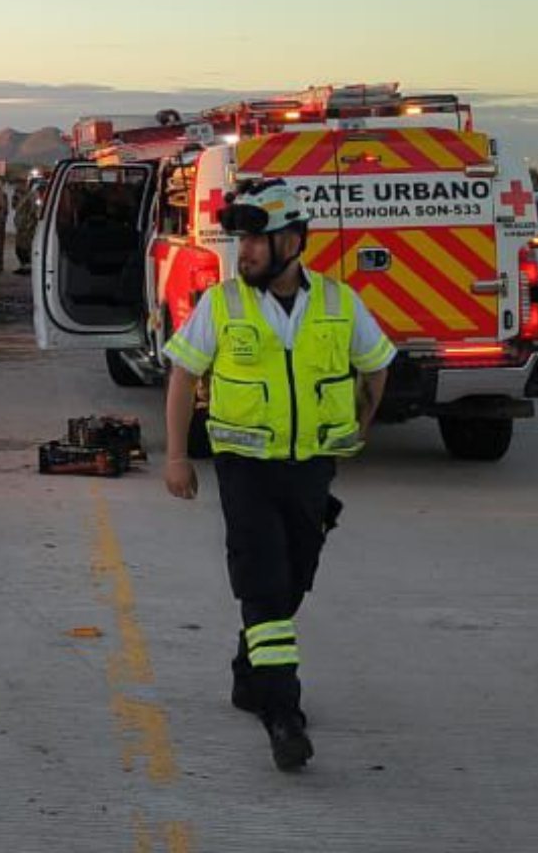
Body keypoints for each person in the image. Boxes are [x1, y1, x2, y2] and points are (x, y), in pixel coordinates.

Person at [161, 177, 395, 772]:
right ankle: (282, 714)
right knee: (263, 583)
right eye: (241, 242)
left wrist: (362, 426)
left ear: (293, 241)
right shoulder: (223, 303)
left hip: (312, 468)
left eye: (258, 241)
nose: (246, 253)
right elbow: (185, 377)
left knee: (293, 580)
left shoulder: (340, 303)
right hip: (245, 470)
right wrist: (175, 455)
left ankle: (249, 673)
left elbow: (377, 366)